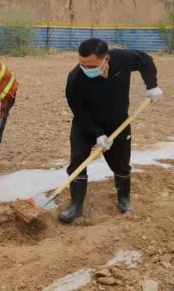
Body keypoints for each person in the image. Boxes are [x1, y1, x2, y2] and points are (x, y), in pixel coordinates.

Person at [60, 38, 162, 224]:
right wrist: (97, 134)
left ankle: (124, 200)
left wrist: (152, 85)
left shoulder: (122, 59)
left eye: (90, 65)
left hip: (118, 122)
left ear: (106, 59)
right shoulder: (75, 79)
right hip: (86, 124)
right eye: (82, 64)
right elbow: (79, 112)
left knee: (122, 162)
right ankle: (76, 206)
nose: (85, 69)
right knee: (77, 162)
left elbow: (145, 60)